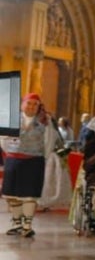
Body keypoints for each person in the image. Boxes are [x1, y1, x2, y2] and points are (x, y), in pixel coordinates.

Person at [2, 93, 61, 238]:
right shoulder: (12, 118)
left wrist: (41, 155)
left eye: (35, 104)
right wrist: (10, 152)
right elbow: (2, 137)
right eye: (29, 103)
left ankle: (27, 226)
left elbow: (49, 141)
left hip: (33, 161)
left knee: (29, 195)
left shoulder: (44, 121)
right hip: (13, 160)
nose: (31, 106)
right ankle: (17, 224)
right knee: (12, 195)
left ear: (38, 106)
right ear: (22, 105)